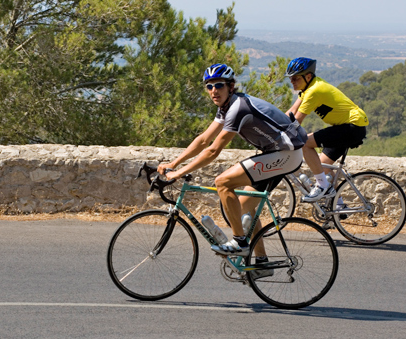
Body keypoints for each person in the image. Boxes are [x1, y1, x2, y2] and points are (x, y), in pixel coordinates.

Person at [157, 63, 308, 266]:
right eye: (208, 86)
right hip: (276, 153)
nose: (213, 91)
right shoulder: (226, 107)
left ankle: (239, 242)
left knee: (223, 182)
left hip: (286, 154)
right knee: (246, 206)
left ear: (230, 86)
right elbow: (204, 140)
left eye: (218, 85)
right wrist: (174, 163)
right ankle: (261, 261)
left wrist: (179, 173)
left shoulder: (238, 108)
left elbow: (213, 150)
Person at [285, 57, 368, 203]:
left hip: (352, 126)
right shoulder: (308, 88)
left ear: (308, 76)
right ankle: (339, 206)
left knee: (305, 143)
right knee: (323, 167)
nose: (292, 81)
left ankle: (323, 186)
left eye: (295, 78)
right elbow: (291, 112)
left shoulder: (314, 91)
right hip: (347, 126)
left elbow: (296, 121)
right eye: (291, 78)